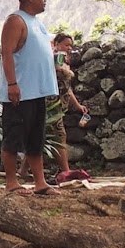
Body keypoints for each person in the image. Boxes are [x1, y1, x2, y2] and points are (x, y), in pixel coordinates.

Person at [0, 0, 58, 196]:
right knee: (13, 137)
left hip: (37, 92)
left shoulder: (37, 22)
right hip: (20, 91)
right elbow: (6, 53)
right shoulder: (16, 21)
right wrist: (12, 84)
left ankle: (40, 182)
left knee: (36, 139)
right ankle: (11, 183)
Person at [49, 33, 89, 182]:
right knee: (60, 135)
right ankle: (66, 171)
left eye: (71, 45)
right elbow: (57, 70)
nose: (69, 48)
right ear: (56, 44)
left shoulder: (65, 60)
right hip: (51, 103)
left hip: (61, 105)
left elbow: (68, 88)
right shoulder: (54, 57)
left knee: (41, 136)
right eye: (66, 45)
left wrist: (77, 105)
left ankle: (23, 169)